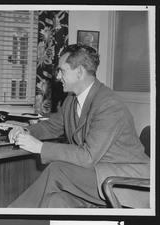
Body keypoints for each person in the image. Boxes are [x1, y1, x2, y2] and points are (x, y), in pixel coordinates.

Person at [8, 44, 150, 208]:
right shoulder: (71, 100)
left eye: (62, 70)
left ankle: (5, 218)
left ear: (80, 72)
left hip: (125, 183)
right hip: (97, 175)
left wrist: (40, 147)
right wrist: (25, 131)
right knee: (55, 201)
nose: (57, 76)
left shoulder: (109, 104)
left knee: (57, 170)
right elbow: (52, 126)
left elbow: (88, 156)